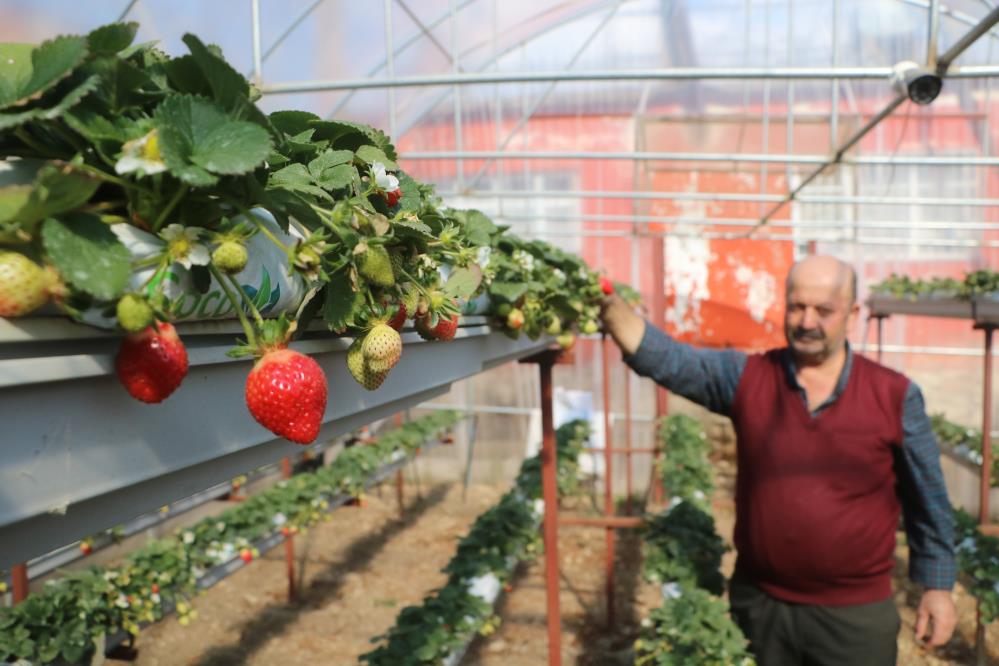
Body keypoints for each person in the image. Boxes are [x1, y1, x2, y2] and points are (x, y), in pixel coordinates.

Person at [600, 255, 956, 666]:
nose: (807, 321)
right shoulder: (749, 377)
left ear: (853, 314)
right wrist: (610, 307)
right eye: (797, 307)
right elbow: (672, 361)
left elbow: (928, 497)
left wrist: (937, 586)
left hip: (853, 618)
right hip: (761, 607)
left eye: (823, 310)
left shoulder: (893, 395)